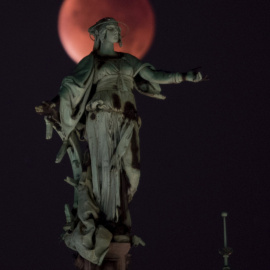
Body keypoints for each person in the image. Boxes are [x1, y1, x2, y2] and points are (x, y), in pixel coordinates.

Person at [36, 17, 204, 265]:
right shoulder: (92, 62)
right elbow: (71, 87)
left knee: (130, 173)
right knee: (104, 168)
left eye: (117, 29)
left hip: (127, 117)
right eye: (112, 29)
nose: (117, 32)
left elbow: (154, 74)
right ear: (101, 33)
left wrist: (184, 76)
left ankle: (115, 219)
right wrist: (53, 104)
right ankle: (110, 222)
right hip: (100, 116)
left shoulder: (129, 60)